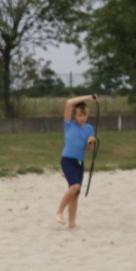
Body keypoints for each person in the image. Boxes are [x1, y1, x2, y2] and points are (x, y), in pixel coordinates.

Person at [55, 94, 97, 228]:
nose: (82, 118)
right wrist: (88, 98)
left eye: (85, 115)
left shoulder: (89, 128)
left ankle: (72, 223)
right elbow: (69, 103)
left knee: (76, 194)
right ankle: (59, 211)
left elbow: (90, 150)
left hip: (80, 161)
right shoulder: (69, 123)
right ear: (74, 115)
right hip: (67, 159)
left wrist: (91, 142)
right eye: (79, 115)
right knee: (75, 186)